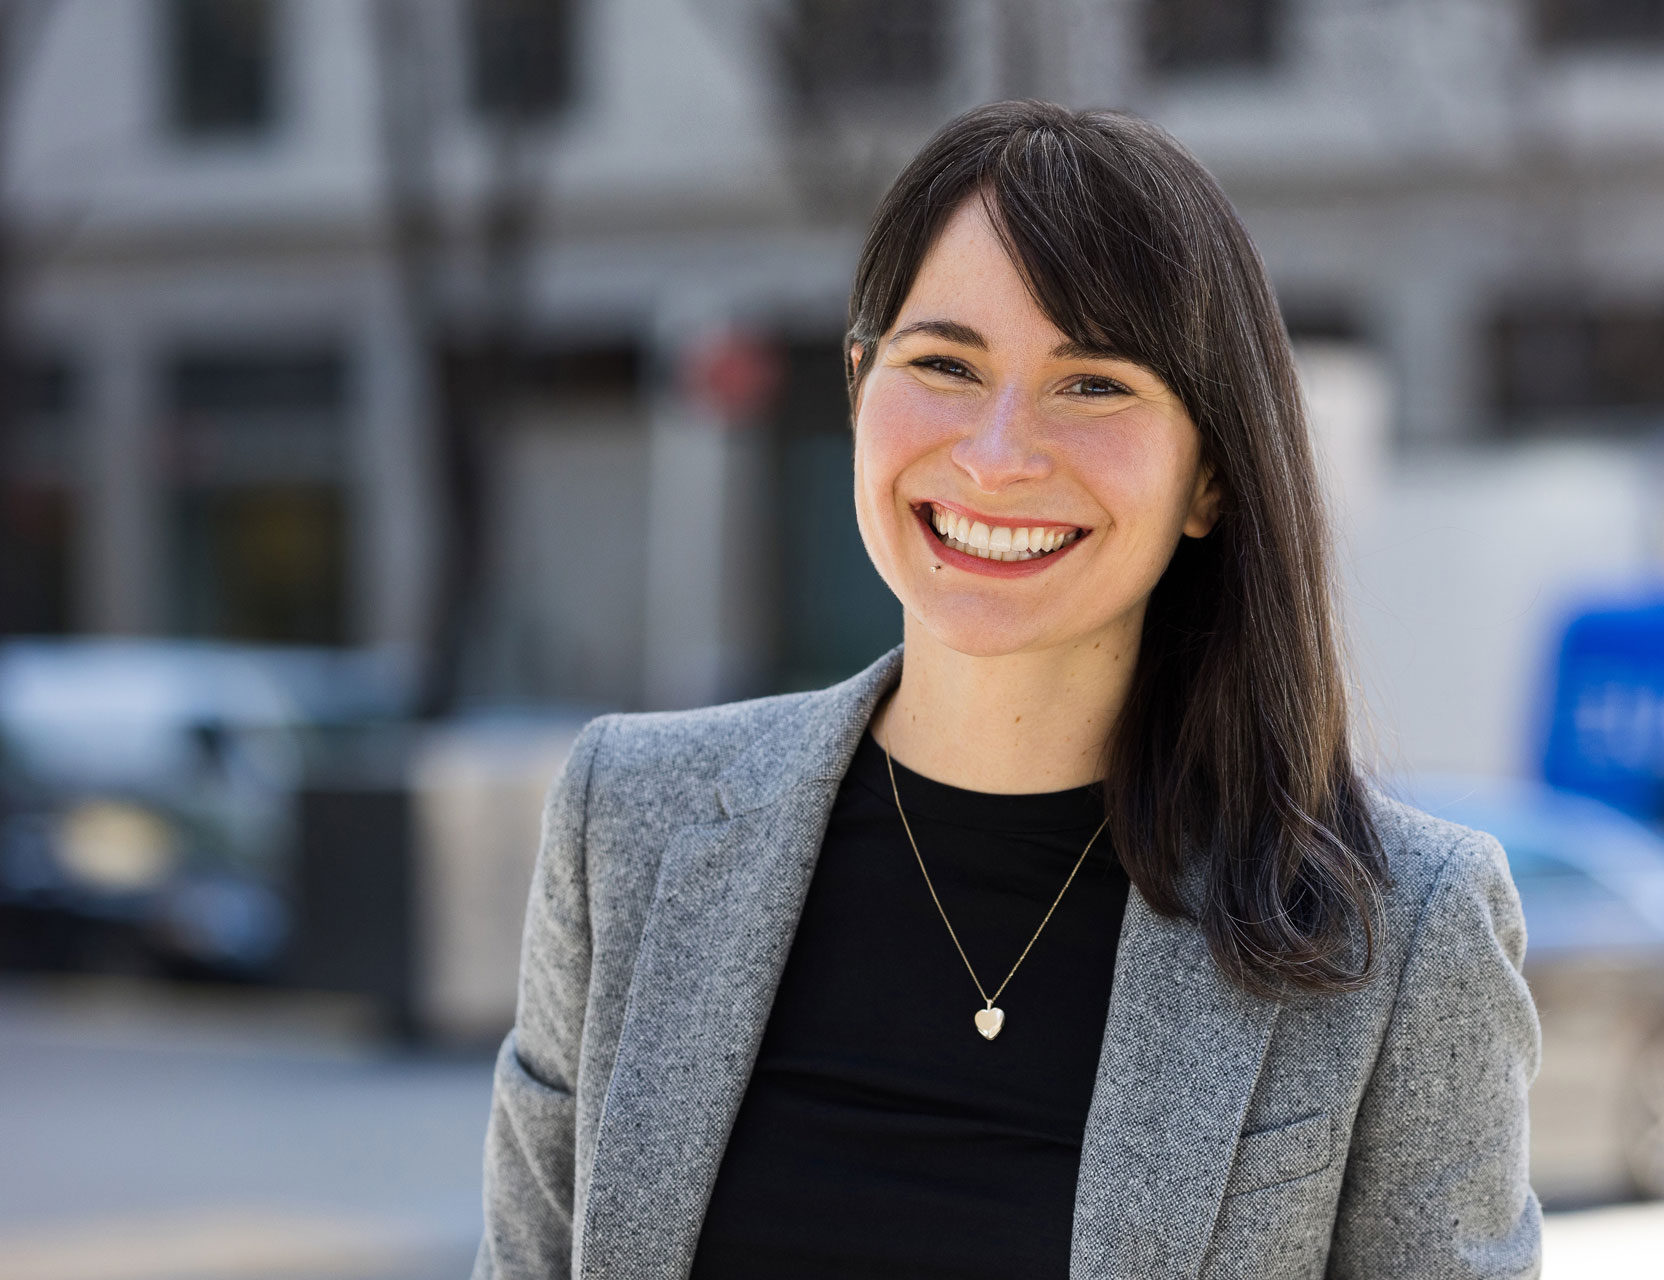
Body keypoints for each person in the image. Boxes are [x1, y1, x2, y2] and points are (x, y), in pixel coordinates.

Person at [473, 100, 1539, 1280]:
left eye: (1093, 384)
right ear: (857, 386)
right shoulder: (628, 822)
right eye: (944, 363)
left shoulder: (1406, 930)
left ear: (1211, 478)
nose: (995, 453)